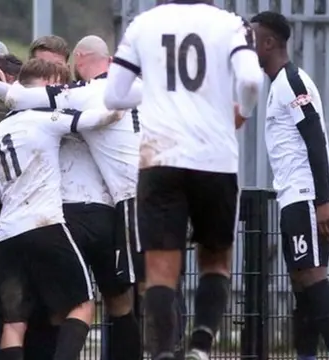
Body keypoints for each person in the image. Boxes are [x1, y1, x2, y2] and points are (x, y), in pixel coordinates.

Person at [104, 1, 264, 360]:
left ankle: (162, 352)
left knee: (161, 269)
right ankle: (201, 347)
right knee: (216, 258)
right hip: (215, 158)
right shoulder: (230, 24)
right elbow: (251, 79)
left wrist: (159, 94)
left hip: (160, 157)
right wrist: (243, 110)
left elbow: (113, 95)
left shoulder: (142, 24)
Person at [0, 58, 123, 360]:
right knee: (82, 305)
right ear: (45, 85)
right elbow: (98, 120)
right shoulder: (47, 119)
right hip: (46, 226)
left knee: (14, 323)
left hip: (6, 234)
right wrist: (122, 103)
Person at [251, 11, 329, 360]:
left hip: (308, 197)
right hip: (292, 197)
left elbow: (315, 138)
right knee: (301, 285)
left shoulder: (293, 81)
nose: (248, 45)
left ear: (269, 42)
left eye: (253, 38)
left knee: (313, 277)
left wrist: (323, 201)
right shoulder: (277, 85)